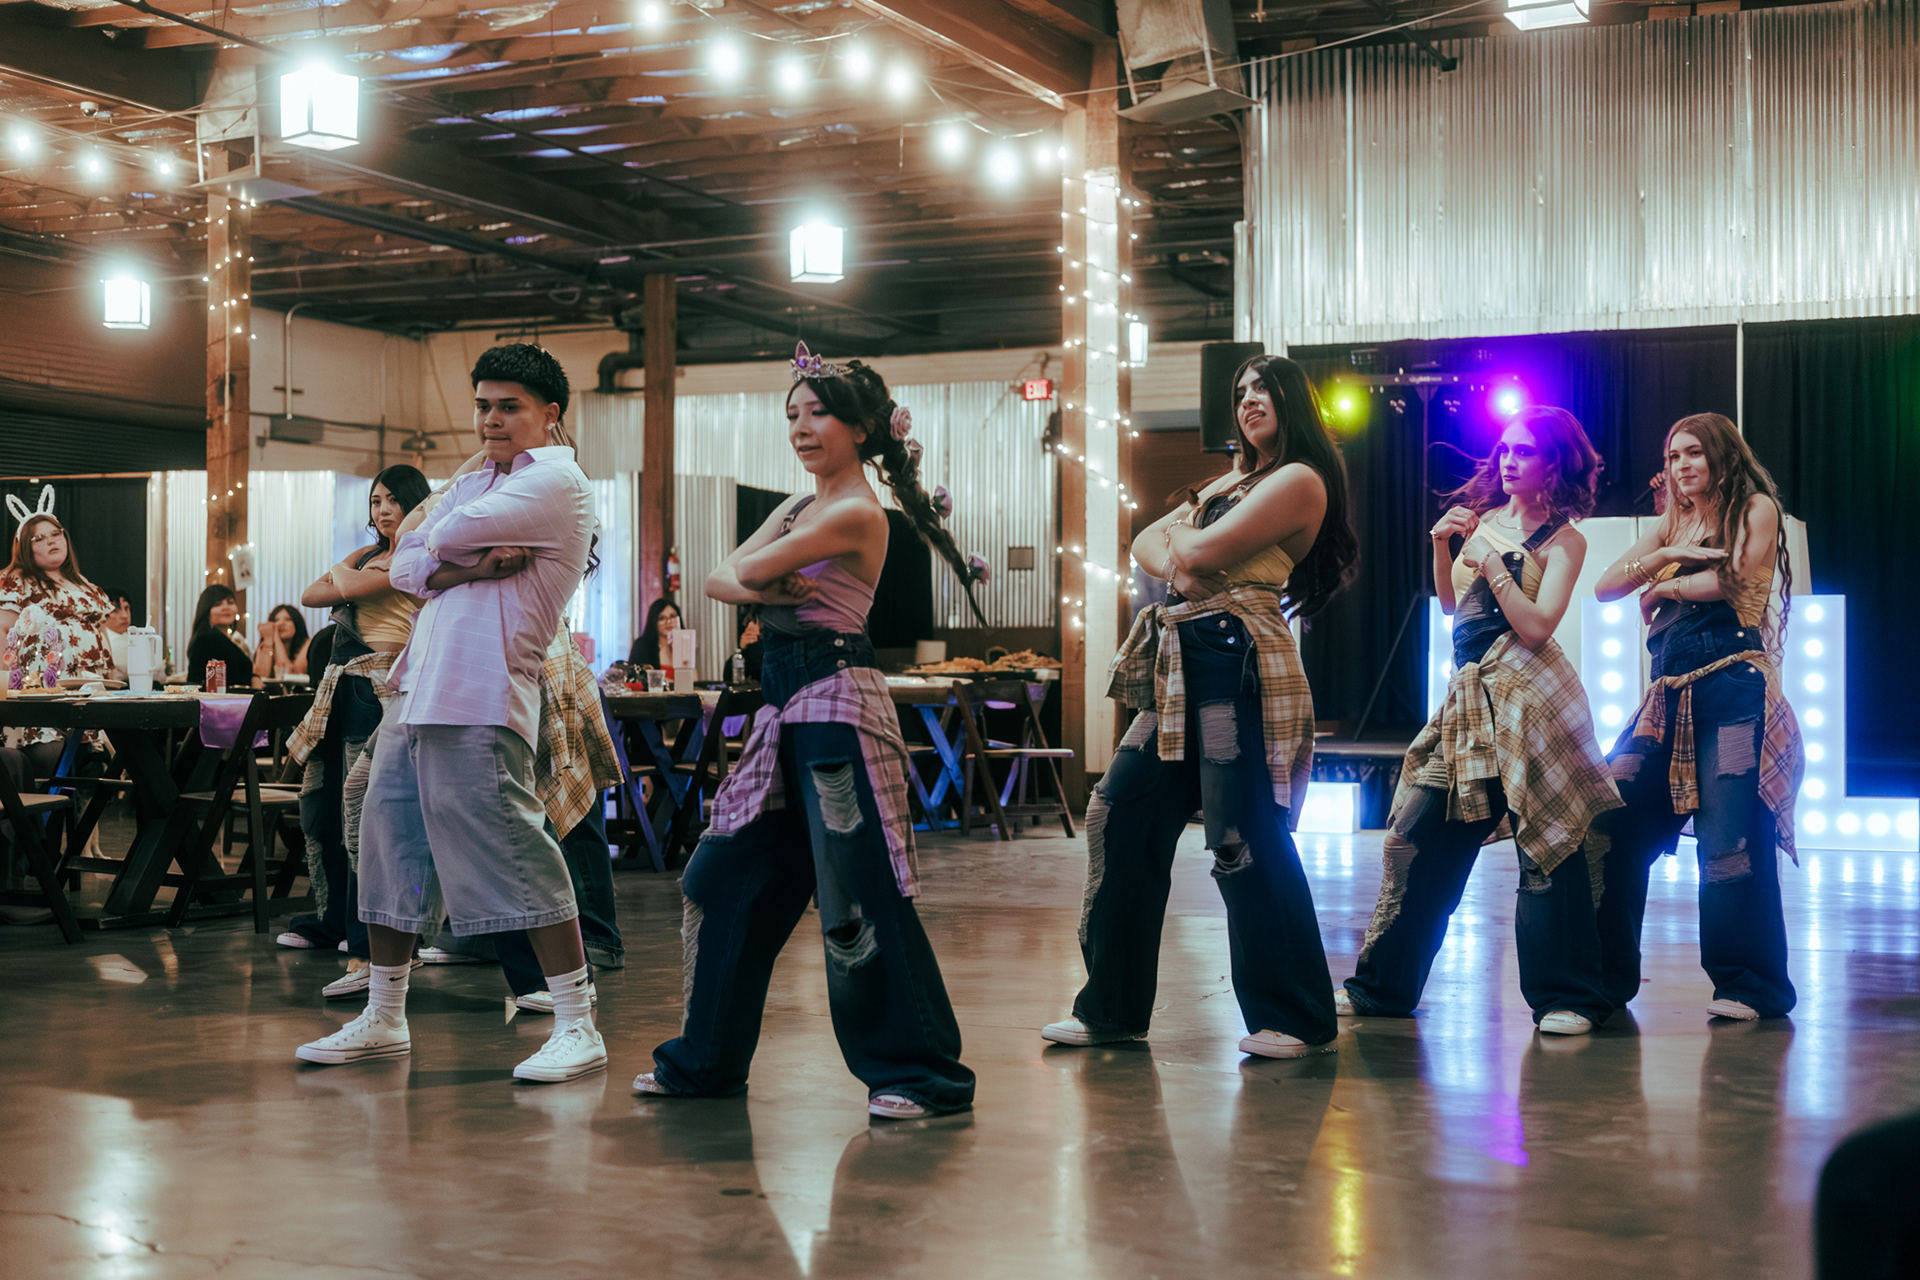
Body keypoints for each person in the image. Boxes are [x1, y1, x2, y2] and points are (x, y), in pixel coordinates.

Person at [633, 342, 981, 1119]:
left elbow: (746, 576)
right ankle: (706, 1062)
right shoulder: (797, 508)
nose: (800, 427)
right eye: (792, 414)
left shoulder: (856, 510)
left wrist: (758, 581)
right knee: (720, 880)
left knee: (857, 894)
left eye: (818, 412)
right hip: (783, 710)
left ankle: (921, 1075)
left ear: (861, 427)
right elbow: (720, 577)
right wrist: (757, 581)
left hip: (835, 706)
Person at [293, 343, 601, 1083]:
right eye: (484, 406)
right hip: (417, 687)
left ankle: (576, 1021)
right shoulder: (479, 479)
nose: (491, 420)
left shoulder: (557, 482)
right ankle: (384, 1013)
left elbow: (430, 540)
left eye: (509, 407)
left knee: (516, 846)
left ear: (549, 413)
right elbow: (404, 561)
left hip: (482, 689)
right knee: (388, 840)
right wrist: (462, 563)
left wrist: (442, 548)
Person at [1040, 354, 1359, 1060]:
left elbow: (1199, 548)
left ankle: (1296, 1017)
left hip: (1237, 658)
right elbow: (1143, 543)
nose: (1248, 400)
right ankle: (1111, 1009)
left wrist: (1183, 546)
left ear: (1293, 402)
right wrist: (1183, 556)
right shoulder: (1230, 482)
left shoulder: (1298, 479)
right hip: (1182, 661)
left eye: (1264, 390)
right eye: (1241, 391)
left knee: (1242, 837)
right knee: (1118, 812)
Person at [1338, 407, 1622, 1034]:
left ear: (1555, 461)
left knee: (1547, 844)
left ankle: (1566, 998)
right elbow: (1450, 606)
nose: (1509, 461)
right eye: (1505, 449)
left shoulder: (1564, 540)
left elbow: (1537, 626)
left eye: (1525, 451)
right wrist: (1442, 547)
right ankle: (1381, 988)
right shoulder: (1485, 518)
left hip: (1528, 701)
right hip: (1469, 702)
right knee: (1414, 839)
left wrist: (1493, 561)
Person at [1590, 412, 1803, 1021]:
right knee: (1609, 823)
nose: (1681, 465)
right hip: (1667, 695)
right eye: (1672, 455)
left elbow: (1733, 578)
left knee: (1730, 838)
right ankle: (1601, 980)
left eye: (1693, 453)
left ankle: (1749, 986)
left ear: (1721, 455)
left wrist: (1664, 587)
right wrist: (1666, 553)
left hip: (1733, 687)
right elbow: (1606, 586)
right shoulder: (1671, 523)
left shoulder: (1756, 507)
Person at [278, 465, 432, 961]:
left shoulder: (418, 557)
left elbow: (343, 589)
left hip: (380, 687)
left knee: (364, 810)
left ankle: (368, 929)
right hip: (338, 687)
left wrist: (344, 576)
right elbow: (310, 595)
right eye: (375, 501)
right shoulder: (369, 557)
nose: (383, 510)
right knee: (323, 803)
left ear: (417, 504)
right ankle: (333, 920)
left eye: (393, 500)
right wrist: (351, 574)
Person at [2, 501, 115, 773]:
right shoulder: (17, 580)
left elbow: (100, 633)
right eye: (39, 538)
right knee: (48, 756)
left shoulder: (84, 584)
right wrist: (8, 686)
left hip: (90, 689)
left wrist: (111, 680)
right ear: (25, 548)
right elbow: (3, 629)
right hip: (42, 691)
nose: (51, 541)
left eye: (56, 534)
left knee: (93, 764)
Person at [186, 585, 262, 690]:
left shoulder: (229, 639)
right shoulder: (208, 640)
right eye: (217, 604)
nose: (226, 607)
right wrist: (254, 677)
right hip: (225, 699)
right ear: (207, 610)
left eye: (230, 602)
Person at [252, 604, 312, 680]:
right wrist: (269, 641)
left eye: (288, 619)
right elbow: (260, 676)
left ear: (297, 623)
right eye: (276, 620)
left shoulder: (308, 644)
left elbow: (290, 676)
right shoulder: (266, 645)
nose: (281, 623)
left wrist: (276, 637)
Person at [627, 597, 680, 671]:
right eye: (661, 618)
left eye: (672, 616)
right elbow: (636, 675)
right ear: (654, 621)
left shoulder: (684, 644)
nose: (668, 622)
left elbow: (693, 676)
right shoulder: (642, 646)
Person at [98, 586, 133, 683]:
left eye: (126, 608)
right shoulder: (99, 642)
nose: (124, 615)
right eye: (115, 610)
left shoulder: (138, 639)